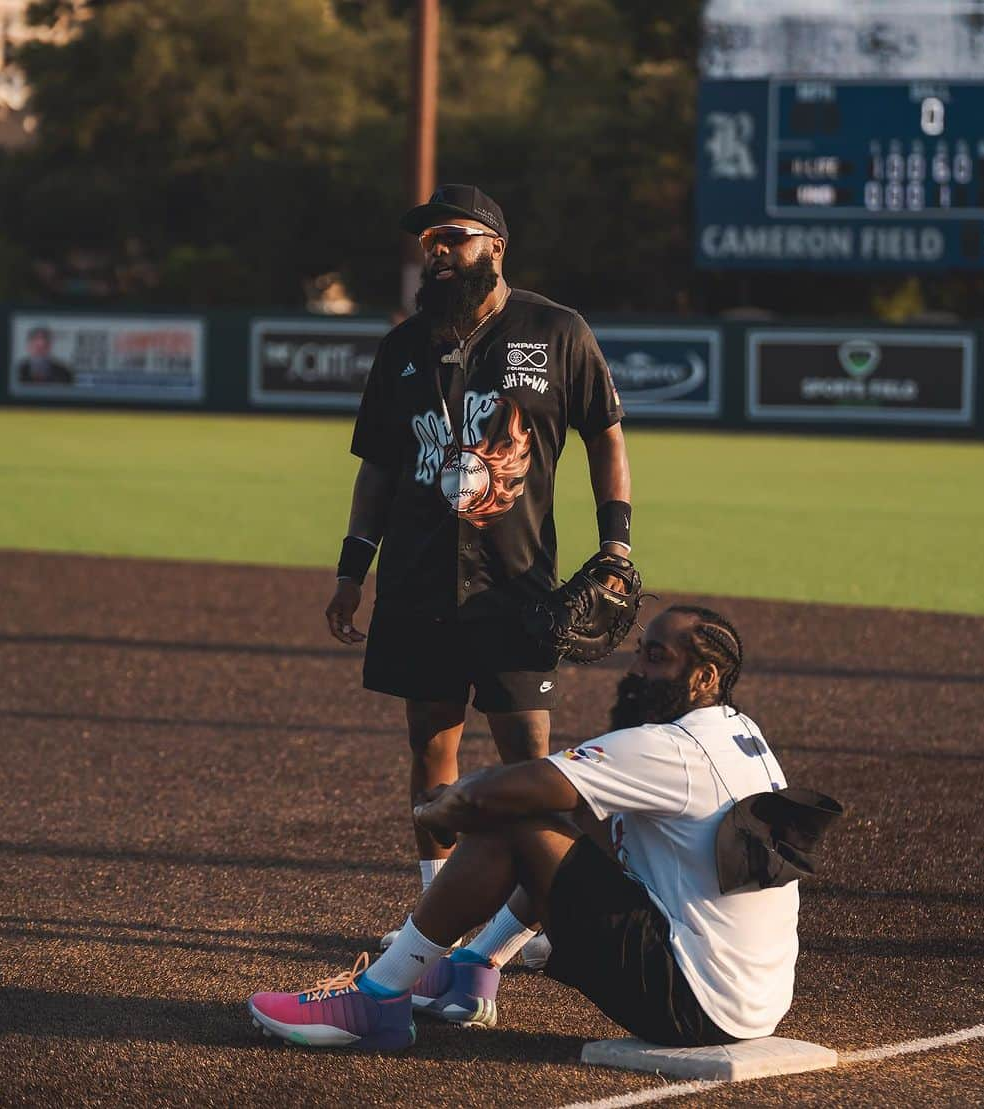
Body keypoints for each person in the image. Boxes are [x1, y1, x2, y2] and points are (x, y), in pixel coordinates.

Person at [249, 606, 801, 1052]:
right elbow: (587, 822)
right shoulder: (741, 734)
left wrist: (440, 810)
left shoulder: (669, 749)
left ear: (704, 677)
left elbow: (495, 792)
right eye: (639, 654)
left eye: (656, 659)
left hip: (692, 1005)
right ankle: (473, 967)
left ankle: (374, 1003)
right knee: (570, 816)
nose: (637, 672)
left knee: (510, 822)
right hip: (753, 1000)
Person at [324, 184, 633, 952]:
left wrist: (617, 542)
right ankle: (438, 916)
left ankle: (523, 920)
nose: (436, 252)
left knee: (530, 759)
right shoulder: (404, 346)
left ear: (494, 244)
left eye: (451, 238)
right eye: (427, 242)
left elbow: (607, 433)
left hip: (517, 586)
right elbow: (378, 470)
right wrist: (351, 568)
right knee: (431, 745)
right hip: (418, 584)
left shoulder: (556, 331)